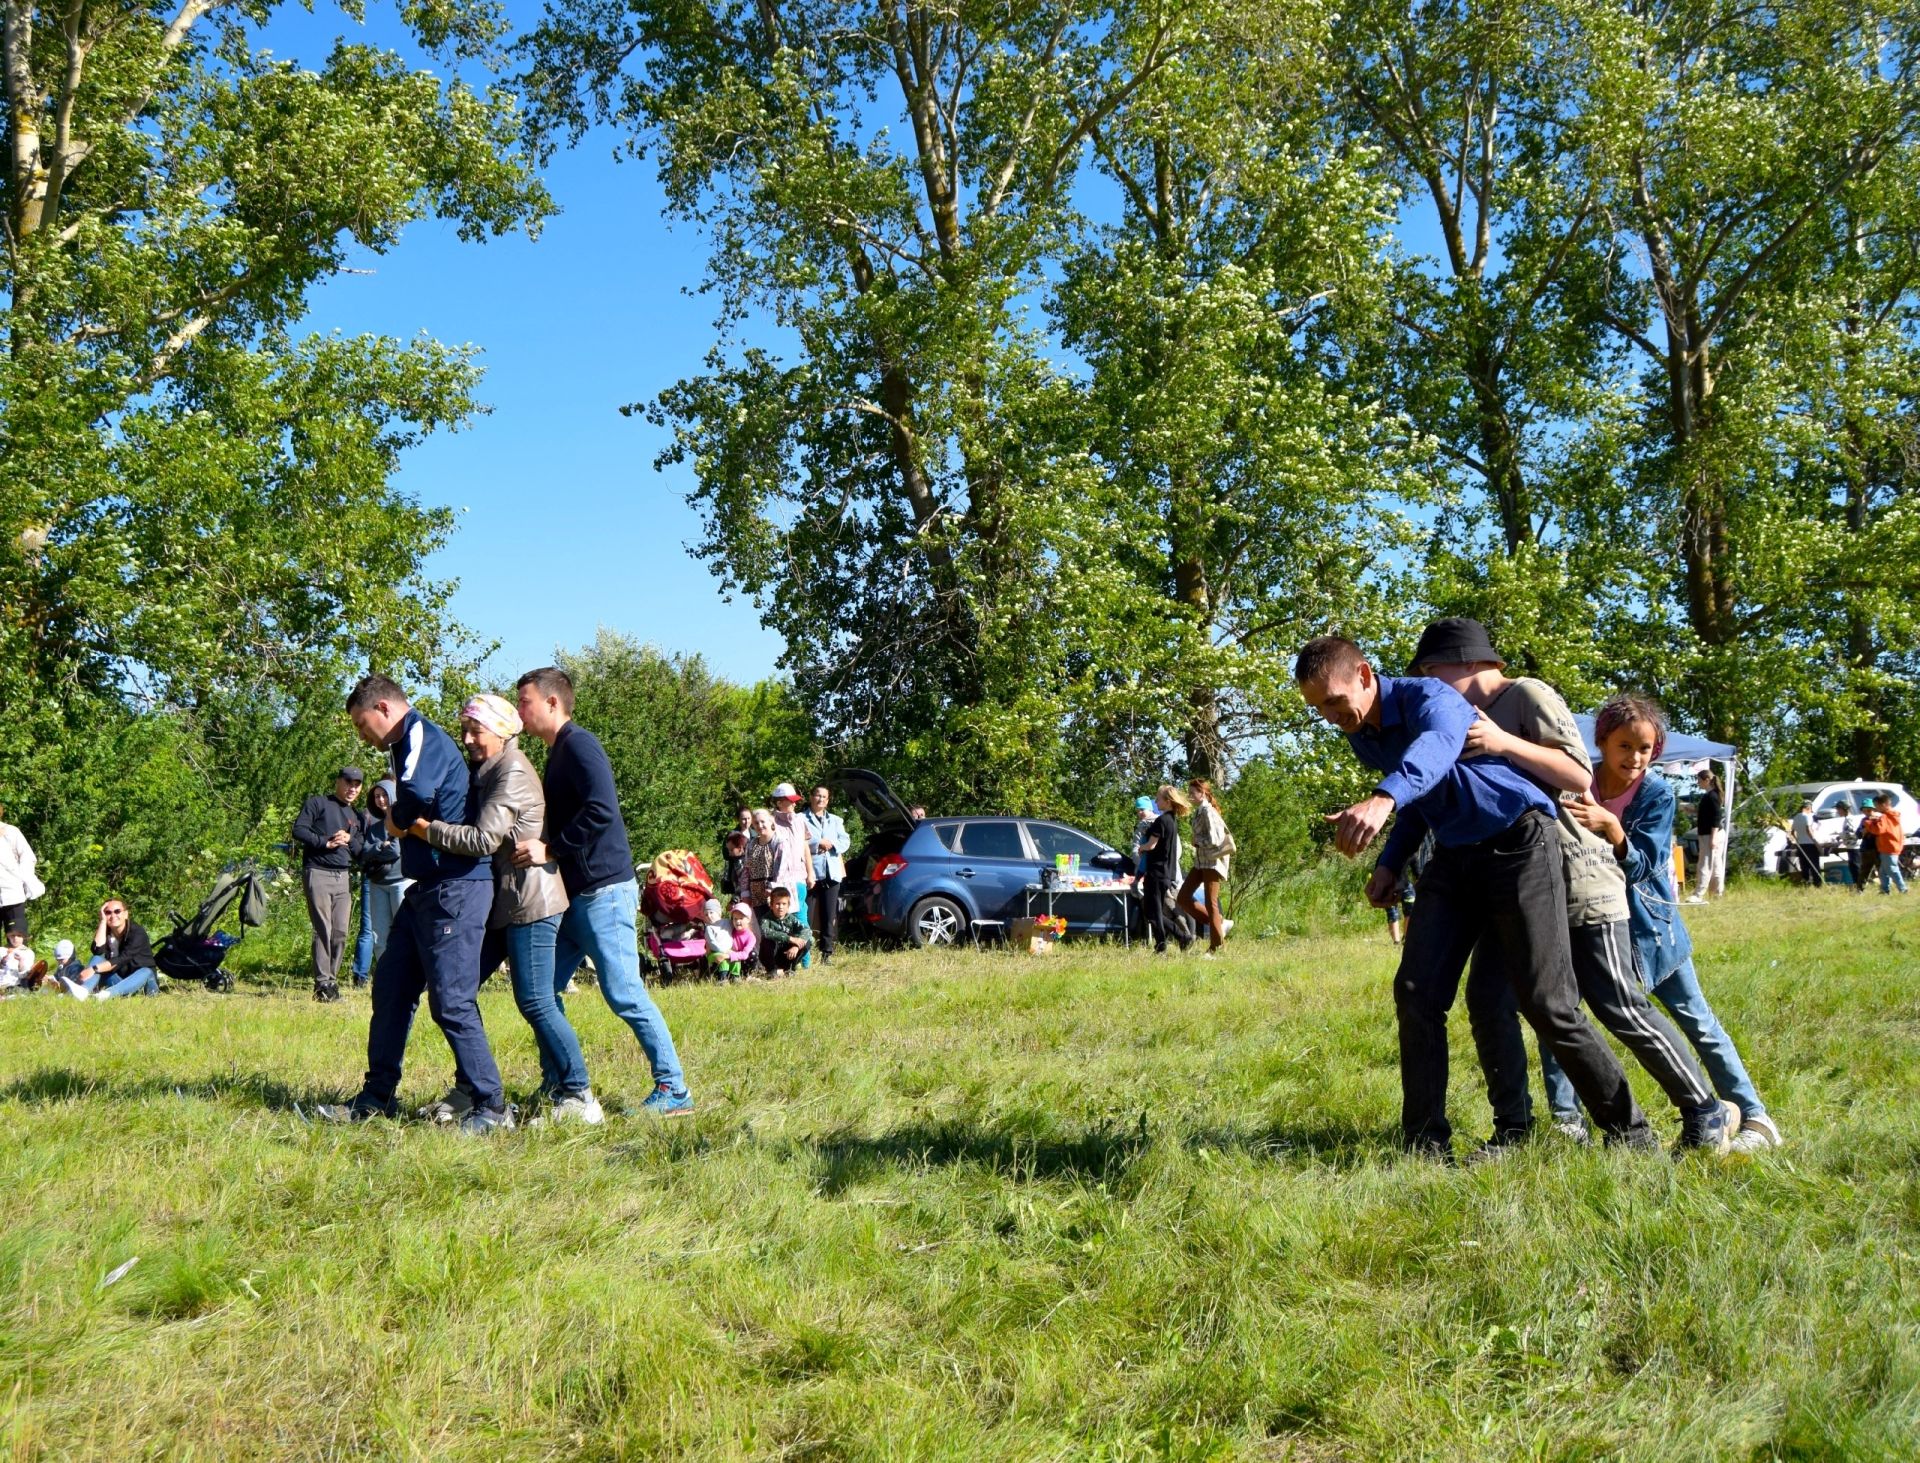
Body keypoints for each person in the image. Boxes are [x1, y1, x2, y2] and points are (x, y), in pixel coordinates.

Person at [1293, 633, 1652, 1158]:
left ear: (1365, 676)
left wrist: (1381, 797)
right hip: (1457, 855)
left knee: (1546, 1002)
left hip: (1520, 842)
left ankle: (1631, 1134)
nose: (1329, 715)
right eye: (1317, 708)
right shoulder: (1362, 733)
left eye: (1332, 700)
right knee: (1417, 992)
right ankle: (1427, 1144)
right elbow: (1423, 798)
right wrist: (1391, 863)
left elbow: (1433, 750)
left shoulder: (1431, 699)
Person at [1411, 619, 1736, 1155]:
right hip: (1513, 883)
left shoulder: (1527, 696)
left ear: (1469, 663)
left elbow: (1578, 774)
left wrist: (1501, 741)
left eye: (1432, 671)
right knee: (1489, 1001)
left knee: (1616, 1003)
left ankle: (1704, 1108)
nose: (1428, 683)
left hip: (1578, 880)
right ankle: (1513, 1130)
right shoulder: (1455, 716)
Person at [1568, 693, 1783, 1151]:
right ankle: (1568, 1119)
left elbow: (1646, 865)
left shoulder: (1656, 794)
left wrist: (1613, 828)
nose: (1635, 757)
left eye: (1645, 749)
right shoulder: (1577, 782)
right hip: (1590, 924)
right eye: (1625, 746)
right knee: (1564, 1018)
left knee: (1696, 1021)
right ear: (1602, 741)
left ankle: (1757, 1118)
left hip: (1651, 929)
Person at [318, 675, 509, 1134]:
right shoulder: (401, 745)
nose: (361, 735)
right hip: (425, 887)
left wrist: (393, 821)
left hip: (458, 886)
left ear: (383, 708)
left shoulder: (420, 734)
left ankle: (493, 1107)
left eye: (362, 725)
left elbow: (416, 799)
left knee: (451, 1001)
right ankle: (375, 1098)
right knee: (390, 987)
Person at [511, 666, 693, 1116]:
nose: (519, 711)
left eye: (525, 701)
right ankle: (560, 1085)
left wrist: (550, 848)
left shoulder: (580, 745)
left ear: (552, 703)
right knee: (542, 992)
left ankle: (673, 1089)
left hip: (604, 892)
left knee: (624, 992)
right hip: (574, 897)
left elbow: (601, 811)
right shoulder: (557, 752)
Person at [413, 694, 593, 1124]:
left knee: (535, 1000)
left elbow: (482, 840)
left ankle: (578, 1094)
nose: (468, 739)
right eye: (465, 730)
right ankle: (468, 1088)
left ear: (502, 731)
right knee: (458, 991)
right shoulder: (488, 770)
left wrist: (421, 829)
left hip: (531, 901)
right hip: (503, 904)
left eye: (477, 730)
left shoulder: (510, 771)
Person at [291, 766, 366, 1002]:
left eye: (357, 784)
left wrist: (349, 838)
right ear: (338, 782)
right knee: (323, 929)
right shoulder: (318, 803)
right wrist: (325, 842)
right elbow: (299, 830)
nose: (352, 788)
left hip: (343, 877)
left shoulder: (357, 816)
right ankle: (323, 984)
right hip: (318, 872)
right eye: (348, 782)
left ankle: (331, 982)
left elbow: (360, 850)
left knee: (340, 932)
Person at [351, 780, 408, 988]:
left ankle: (408, 976)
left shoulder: (403, 821)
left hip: (401, 882)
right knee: (379, 934)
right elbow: (364, 853)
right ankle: (387, 978)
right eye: (377, 796)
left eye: (384, 795)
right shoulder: (375, 827)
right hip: (377, 884)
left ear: (393, 795)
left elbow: (396, 851)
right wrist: (381, 846)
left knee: (403, 932)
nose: (381, 799)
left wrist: (377, 848)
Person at [1175, 779, 1234, 955]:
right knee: (1183, 897)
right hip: (1201, 862)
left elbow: (1215, 840)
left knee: (1211, 903)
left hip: (1212, 863)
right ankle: (1220, 923)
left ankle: (1215, 947)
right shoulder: (1200, 811)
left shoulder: (1208, 812)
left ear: (1203, 793)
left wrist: (1196, 841)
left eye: (1193, 792)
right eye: (1189, 792)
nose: (1190, 796)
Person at [63, 899, 159, 1000]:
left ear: (126, 914)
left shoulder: (137, 932)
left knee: (146, 971)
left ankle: (105, 995)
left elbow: (123, 959)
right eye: (108, 912)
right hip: (121, 983)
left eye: (117, 911)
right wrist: (103, 921)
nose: (113, 916)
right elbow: (98, 951)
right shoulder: (107, 932)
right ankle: (83, 990)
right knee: (97, 958)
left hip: (143, 985)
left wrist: (94, 969)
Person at [1138, 788, 1191, 955]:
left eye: (1158, 799)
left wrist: (1142, 848)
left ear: (1167, 801)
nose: (1156, 802)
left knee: (1153, 912)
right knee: (1153, 911)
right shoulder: (1172, 821)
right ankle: (1180, 936)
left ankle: (1163, 944)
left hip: (1156, 872)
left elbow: (1152, 845)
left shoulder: (1161, 821)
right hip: (1166, 873)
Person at [803, 785, 848, 962]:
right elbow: (799, 840)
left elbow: (845, 841)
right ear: (811, 797)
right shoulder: (800, 819)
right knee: (806, 914)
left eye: (824, 797)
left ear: (828, 800)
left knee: (829, 915)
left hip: (832, 873)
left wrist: (831, 844)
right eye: (817, 795)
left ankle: (826, 953)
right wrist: (817, 843)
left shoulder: (836, 820)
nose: (820, 799)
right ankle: (803, 952)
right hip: (810, 873)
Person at [769, 783, 812, 963]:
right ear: (779, 802)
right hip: (779, 879)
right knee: (781, 920)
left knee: (801, 918)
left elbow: (805, 847)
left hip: (798, 877)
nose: (794, 804)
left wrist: (811, 873)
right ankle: (782, 960)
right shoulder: (770, 822)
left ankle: (805, 961)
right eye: (790, 801)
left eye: (795, 801)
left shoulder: (800, 820)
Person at [0, 805, 44, 939]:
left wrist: (22, 878)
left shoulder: (10, 832)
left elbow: (28, 857)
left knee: (17, 942)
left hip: (12, 895)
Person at [1689, 768, 1727, 902]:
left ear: (1707, 780)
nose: (1698, 784)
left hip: (1710, 835)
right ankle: (1717, 893)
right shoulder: (1710, 795)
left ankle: (1699, 894)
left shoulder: (1712, 796)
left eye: (1699, 781)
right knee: (1716, 864)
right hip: (1710, 834)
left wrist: (1713, 837)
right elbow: (1708, 814)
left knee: (1705, 864)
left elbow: (1717, 817)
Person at [1861, 793, 1910, 894]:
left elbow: (1879, 830)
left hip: (1888, 846)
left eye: (1876, 805)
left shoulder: (1885, 817)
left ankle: (1903, 888)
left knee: (1892, 869)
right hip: (1892, 845)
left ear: (1883, 805)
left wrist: (1868, 823)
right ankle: (1884, 890)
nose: (1875, 808)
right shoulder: (1892, 815)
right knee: (1883, 872)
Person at [757, 885, 811, 976]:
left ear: (788, 905)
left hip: (787, 954)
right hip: (772, 955)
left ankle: (790, 969)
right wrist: (790, 938)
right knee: (767, 941)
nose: (780, 907)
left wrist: (796, 947)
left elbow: (807, 930)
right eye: (777, 904)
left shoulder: (792, 919)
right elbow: (766, 932)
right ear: (771, 905)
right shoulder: (765, 919)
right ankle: (772, 970)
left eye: (784, 904)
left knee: (807, 942)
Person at [743, 809, 780, 908]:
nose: (760, 826)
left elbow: (782, 868)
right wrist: (745, 892)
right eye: (756, 823)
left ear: (770, 821)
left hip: (774, 893)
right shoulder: (751, 844)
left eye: (763, 821)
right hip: (755, 895)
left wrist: (773, 887)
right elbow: (746, 870)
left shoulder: (778, 842)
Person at [712, 902, 758, 980]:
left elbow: (744, 955)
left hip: (741, 961)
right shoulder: (730, 930)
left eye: (741, 918)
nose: (737, 921)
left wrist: (728, 955)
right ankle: (723, 974)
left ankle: (745, 974)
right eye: (735, 918)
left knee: (753, 954)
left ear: (748, 919)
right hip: (729, 959)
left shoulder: (751, 937)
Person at [1789, 800, 1824, 886]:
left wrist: (1797, 841)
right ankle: (1817, 884)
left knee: (1804, 865)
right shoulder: (1807, 817)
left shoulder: (1796, 817)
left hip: (1801, 845)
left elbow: (1793, 832)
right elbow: (1809, 830)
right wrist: (1816, 842)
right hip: (1810, 844)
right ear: (1808, 807)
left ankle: (1805, 882)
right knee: (1814, 865)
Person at [720, 807, 753, 896]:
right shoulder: (732, 835)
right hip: (737, 873)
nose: (746, 822)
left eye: (748, 818)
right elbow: (726, 854)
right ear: (738, 819)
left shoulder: (755, 834)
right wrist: (739, 853)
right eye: (743, 819)